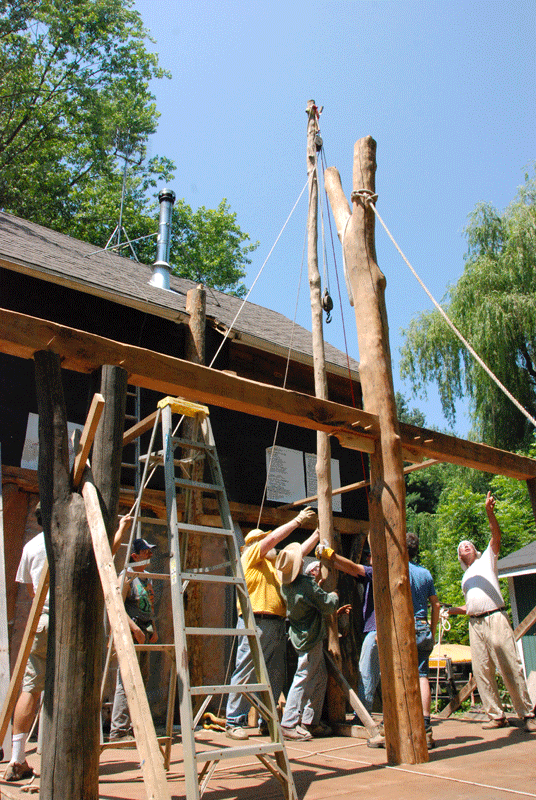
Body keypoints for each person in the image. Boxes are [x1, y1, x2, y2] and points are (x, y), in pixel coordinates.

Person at [4, 509, 132, 780]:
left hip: (42, 619)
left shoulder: (31, 547)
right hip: (72, 622)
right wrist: (121, 528)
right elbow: (106, 552)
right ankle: (68, 757)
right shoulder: (72, 540)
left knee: (31, 686)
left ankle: (17, 758)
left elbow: (31, 592)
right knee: (75, 685)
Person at [225, 507, 317, 741]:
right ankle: (234, 720)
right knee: (245, 670)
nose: (271, 543)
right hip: (254, 621)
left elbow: (296, 556)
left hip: (276, 624)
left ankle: (268, 720)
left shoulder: (272, 567)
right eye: (265, 540)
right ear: (256, 544)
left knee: (275, 674)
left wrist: (317, 535)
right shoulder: (249, 558)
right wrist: (297, 521)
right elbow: (274, 538)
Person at [449, 492, 536, 732]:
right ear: (460, 556)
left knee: (509, 662)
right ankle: (496, 715)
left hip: (495, 616)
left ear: (475, 550)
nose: (465, 545)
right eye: (461, 546)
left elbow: (496, 537)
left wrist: (490, 513)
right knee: (481, 670)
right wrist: (450, 610)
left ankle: (527, 714)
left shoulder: (486, 560)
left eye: (469, 544)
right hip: (474, 624)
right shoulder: (465, 577)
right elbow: (471, 605)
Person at [276, 543, 339, 741]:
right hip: (310, 638)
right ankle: (289, 722)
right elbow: (327, 604)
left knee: (319, 677)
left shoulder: (286, 586)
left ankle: (311, 721)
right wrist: (334, 595)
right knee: (303, 676)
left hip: (299, 636)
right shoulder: (306, 585)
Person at [315, 543, 379, 716]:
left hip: (375, 631)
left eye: (369, 555)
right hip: (377, 631)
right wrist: (330, 560)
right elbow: (350, 569)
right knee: (372, 673)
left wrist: (331, 554)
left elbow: (352, 567)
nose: (367, 558)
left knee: (366, 674)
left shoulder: (375, 572)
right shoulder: (373, 575)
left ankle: (363, 715)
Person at [109, 536, 159, 741]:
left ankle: (134, 726)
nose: (150, 555)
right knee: (127, 680)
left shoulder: (147, 577)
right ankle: (118, 730)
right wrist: (134, 629)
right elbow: (117, 607)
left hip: (144, 630)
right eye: (146, 552)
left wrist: (153, 627)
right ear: (135, 556)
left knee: (143, 679)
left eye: (150, 551)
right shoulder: (126, 577)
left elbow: (149, 605)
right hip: (132, 631)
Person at [406, 532, 440, 750]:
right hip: (423, 625)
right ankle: (426, 724)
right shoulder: (425, 573)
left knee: (400, 674)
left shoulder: (398, 570)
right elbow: (435, 604)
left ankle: (402, 724)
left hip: (405, 627)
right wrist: (433, 629)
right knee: (422, 675)